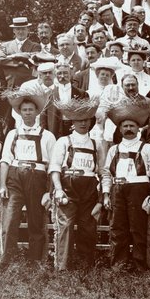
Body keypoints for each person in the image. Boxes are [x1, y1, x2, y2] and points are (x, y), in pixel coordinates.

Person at [0, 89, 56, 266]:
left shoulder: (47, 136)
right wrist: (2, 184)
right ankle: (6, 261)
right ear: (19, 112)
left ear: (37, 112)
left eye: (31, 109)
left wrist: (49, 191)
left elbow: (52, 166)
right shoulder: (12, 134)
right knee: (10, 220)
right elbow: (5, 160)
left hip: (37, 178)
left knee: (36, 221)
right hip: (14, 177)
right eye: (24, 110)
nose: (28, 113)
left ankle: (36, 261)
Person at [102, 100, 150, 272]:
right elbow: (107, 173)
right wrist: (106, 194)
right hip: (117, 190)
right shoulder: (114, 150)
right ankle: (119, 265)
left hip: (139, 190)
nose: (128, 129)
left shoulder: (147, 148)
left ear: (138, 128)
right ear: (119, 129)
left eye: (132, 126)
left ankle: (140, 265)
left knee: (138, 228)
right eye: (125, 126)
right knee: (118, 228)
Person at [47, 98, 106, 271]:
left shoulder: (96, 144)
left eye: (86, 120)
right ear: (72, 122)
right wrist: (58, 189)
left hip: (89, 191)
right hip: (68, 189)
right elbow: (55, 167)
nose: (83, 123)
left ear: (90, 121)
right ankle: (63, 268)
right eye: (79, 120)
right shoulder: (64, 141)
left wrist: (102, 196)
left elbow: (102, 171)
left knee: (88, 227)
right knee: (65, 226)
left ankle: (84, 267)